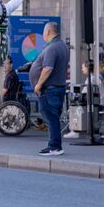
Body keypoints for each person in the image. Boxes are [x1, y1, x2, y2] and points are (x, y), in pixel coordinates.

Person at [30, 21, 69, 156]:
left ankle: (55, 147)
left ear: (48, 32)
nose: (43, 36)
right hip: (58, 88)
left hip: (50, 89)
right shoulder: (62, 46)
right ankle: (54, 145)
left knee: (51, 118)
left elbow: (48, 68)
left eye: (43, 33)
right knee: (53, 118)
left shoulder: (52, 48)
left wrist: (39, 84)